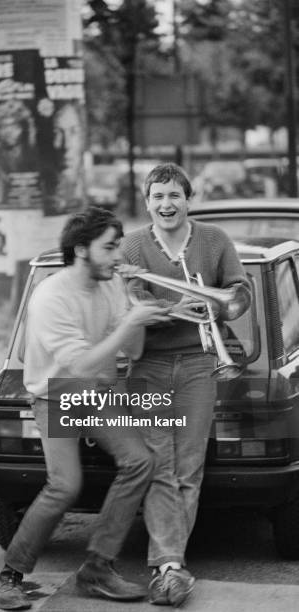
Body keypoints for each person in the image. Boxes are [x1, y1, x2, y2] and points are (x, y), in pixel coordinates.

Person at [0, 206, 171, 610]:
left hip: (96, 390)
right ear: (81, 250)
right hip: (57, 390)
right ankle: (11, 575)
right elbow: (81, 364)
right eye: (109, 248)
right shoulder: (51, 297)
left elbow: (133, 350)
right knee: (65, 485)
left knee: (140, 461)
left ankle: (97, 569)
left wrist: (138, 309)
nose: (118, 257)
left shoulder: (109, 285)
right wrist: (130, 321)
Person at [120, 163, 251, 606]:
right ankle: (170, 565)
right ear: (146, 200)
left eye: (174, 195)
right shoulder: (133, 245)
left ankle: (168, 564)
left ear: (188, 198)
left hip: (199, 364)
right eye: (157, 196)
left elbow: (239, 291)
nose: (165, 204)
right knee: (161, 464)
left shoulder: (214, 240)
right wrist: (176, 307)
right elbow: (133, 299)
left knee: (189, 467)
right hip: (150, 367)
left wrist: (220, 307)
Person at [0, 99, 39, 207]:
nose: (8, 132)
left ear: (24, 128)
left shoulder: (33, 153)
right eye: (3, 127)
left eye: (14, 126)